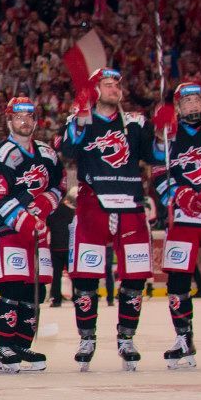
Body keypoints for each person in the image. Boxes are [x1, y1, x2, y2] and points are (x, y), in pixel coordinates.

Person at [63, 68, 157, 369]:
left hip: (130, 203)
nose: (115, 88)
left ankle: (126, 337)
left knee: (135, 274)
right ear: (95, 90)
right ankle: (87, 338)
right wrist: (79, 118)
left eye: (118, 84)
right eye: (108, 84)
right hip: (94, 202)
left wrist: (167, 133)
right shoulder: (82, 119)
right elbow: (67, 152)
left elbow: (154, 157)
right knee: (86, 275)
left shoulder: (136, 122)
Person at [0, 98, 63, 373]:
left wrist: (46, 203)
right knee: (11, 288)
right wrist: (24, 220)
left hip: (38, 230)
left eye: (29, 116)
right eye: (18, 116)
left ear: (36, 121)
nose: (24, 121)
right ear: (9, 120)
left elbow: (60, 184)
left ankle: (22, 343)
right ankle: (3, 346)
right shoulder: (1, 153)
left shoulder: (48, 154)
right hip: (7, 229)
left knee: (33, 291)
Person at [154, 79, 201, 368]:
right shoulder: (167, 135)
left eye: (197, 100)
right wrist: (178, 195)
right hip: (184, 217)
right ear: (178, 106)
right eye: (187, 101)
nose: (193, 105)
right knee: (177, 279)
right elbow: (159, 172)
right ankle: (184, 338)